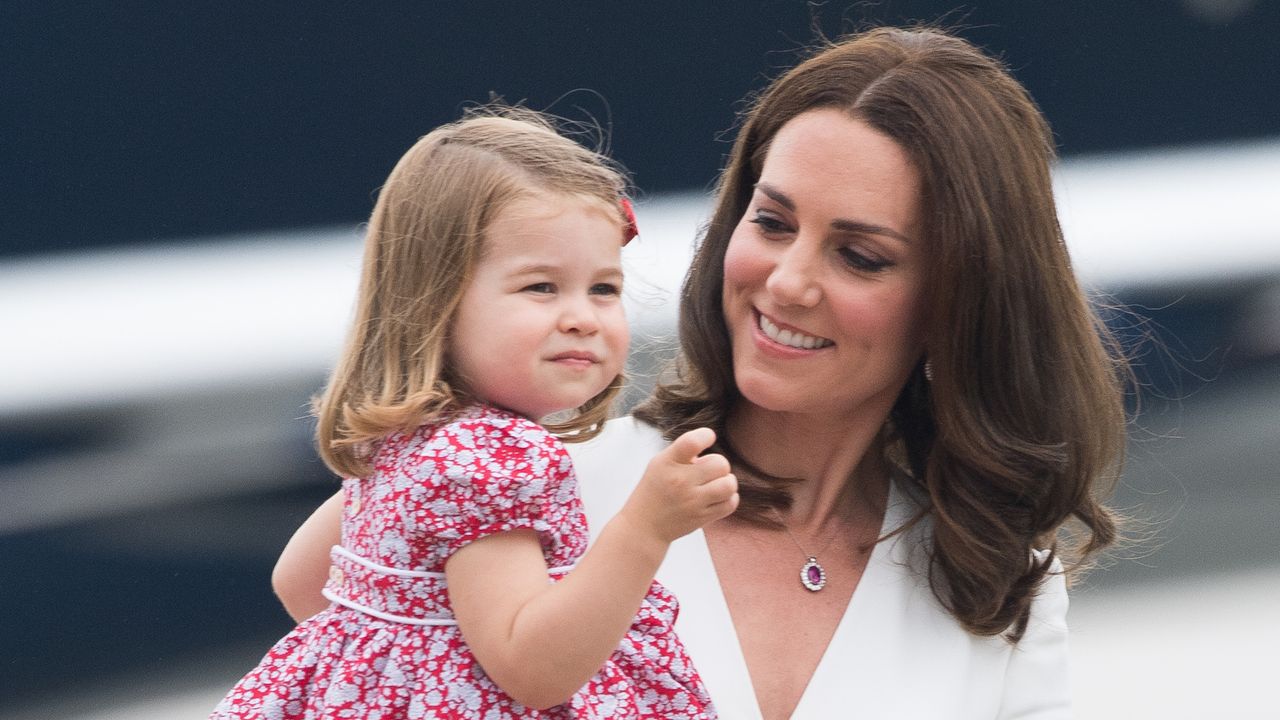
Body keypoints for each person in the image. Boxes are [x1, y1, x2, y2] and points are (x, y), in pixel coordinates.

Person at [274, 27, 1127, 719]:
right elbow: (337, 623)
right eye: (772, 221)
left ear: (956, 305)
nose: (788, 281)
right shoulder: (525, 473)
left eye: (861, 256)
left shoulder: (1002, 580)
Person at [212, 108, 740, 719]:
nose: (582, 317)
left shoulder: (408, 438)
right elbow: (536, 674)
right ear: (435, 302)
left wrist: (409, 671)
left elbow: (305, 583)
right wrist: (645, 528)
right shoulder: (498, 461)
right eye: (540, 287)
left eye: (603, 288)